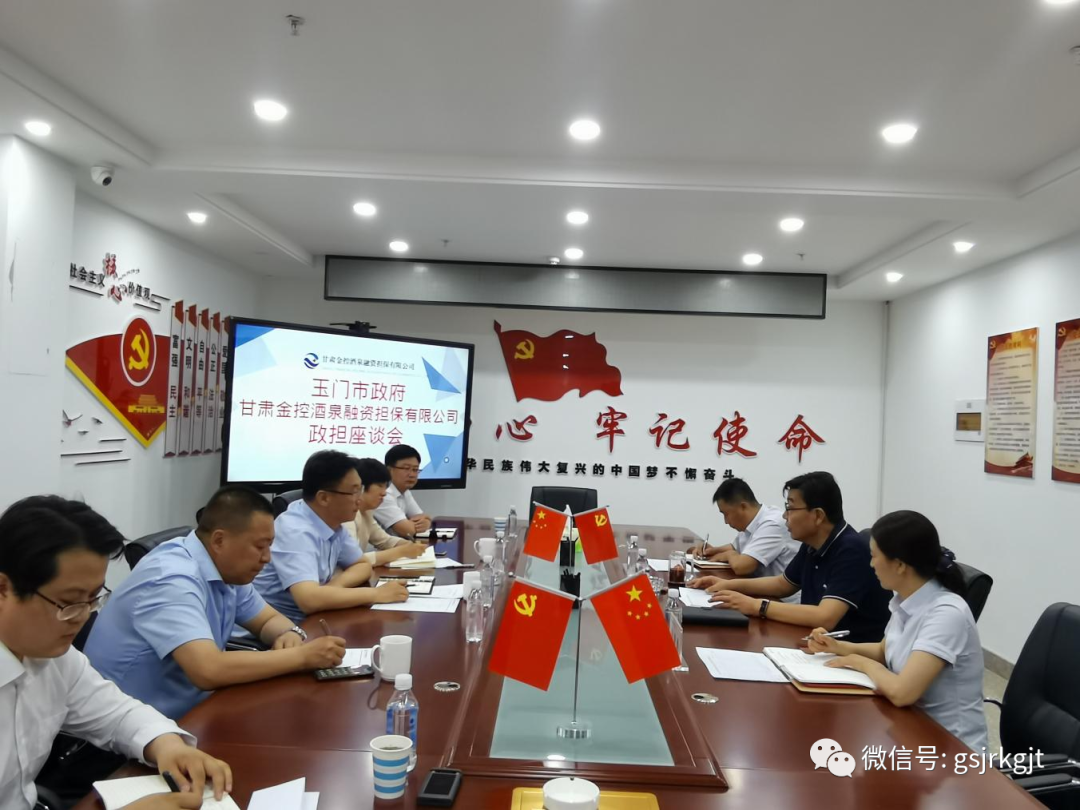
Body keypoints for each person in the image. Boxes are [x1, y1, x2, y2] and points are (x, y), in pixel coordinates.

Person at [0, 495, 231, 810]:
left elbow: (118, 714)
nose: (83, 616)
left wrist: (168, 746)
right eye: (68, 602)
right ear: (3, 589)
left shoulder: (54, 657)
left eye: (93, 597)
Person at [85, 485, 347, 720]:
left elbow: (267, 620)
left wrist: (289, 633)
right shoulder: (171, 579)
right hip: (130, 731)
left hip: (193, 711)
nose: (267, 558)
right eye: (260, 547)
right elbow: (208, 670)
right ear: (219, 540)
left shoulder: (227, 569)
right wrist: (301, 657)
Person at [808, 510, 988, 750]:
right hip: (910, 729)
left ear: (900, 565)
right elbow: (885, 651)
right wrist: (838, 647)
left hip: (951, 749)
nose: (871, 564)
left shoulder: (946, 613)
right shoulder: (906, 600)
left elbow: (903, 692)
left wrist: (860, 663)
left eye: (874, 556)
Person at [689, 471, 891, 642]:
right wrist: (727, 585)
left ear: (818, 515)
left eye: (791, 508)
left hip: (850, 654)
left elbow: (825, 617)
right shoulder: (812, 544)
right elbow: (782, 584)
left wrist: (756, 605)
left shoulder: (851, 549)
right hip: (816, 642)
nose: (785, 516)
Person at [252, 451, 409, 623]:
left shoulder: (332, 522)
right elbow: (308, 600)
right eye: (354, 492)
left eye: (361, 490)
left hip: (311, 618)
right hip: (274, 627)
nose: (359, 499)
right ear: (324, 498)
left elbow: (362, 565)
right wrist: (376, 594)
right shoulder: (296, 531)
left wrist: (333, 588)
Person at [688, 478, 800, 600]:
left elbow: (742, 567)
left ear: (743, 507)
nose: (725, 521)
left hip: (781, 601)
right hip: (758, 592)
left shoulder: (773, 523)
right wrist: (710, 550)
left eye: (726, 514)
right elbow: (735, 547)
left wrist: (729, 555)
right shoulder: (754, 520)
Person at [346, 458, 427, 566]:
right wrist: (401, 551)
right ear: (361, 487)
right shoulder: (347, 516)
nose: (384, 493)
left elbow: (384, 540)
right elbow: (352, 560)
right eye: (380, 486)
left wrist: (408, 545)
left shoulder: (367, 511)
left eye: (386, 487)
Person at [373, 445, 432, 539]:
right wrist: (425, 521)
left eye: (415, 469)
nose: (412, 474)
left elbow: (422, 517)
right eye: (406, 468)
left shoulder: (404, 491)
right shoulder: (384, 494)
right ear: (389, 470)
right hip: (384, 547)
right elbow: (407, 531)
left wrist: (427, 521)